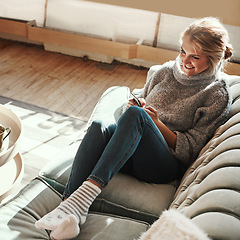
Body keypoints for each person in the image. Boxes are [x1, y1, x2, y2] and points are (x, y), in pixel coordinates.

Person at [35, 17, 233, 239]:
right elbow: (140, 99)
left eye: (195, 57)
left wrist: (157, 124)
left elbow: (191, 149)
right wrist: (133, 104)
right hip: (125, 151)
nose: (185, 61)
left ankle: (82, 200)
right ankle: (67, 212)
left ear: (214, 59)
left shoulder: (216, 94)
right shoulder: (164, 71)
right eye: (182, 52)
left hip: (160, 165)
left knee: (137, 116)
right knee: (101, 125)